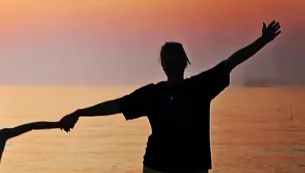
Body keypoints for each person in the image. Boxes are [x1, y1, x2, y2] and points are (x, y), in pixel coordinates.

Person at [58, 21, 282, 173]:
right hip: (157, 167)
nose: (172, 62)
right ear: (163, 64)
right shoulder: (152, 94)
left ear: (185, 62)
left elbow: (233, 61)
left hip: (193, 167)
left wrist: (263, 41)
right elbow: (115, 106)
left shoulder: (200, 86)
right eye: (168, 59)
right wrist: (79, 113)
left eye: (175, 58)